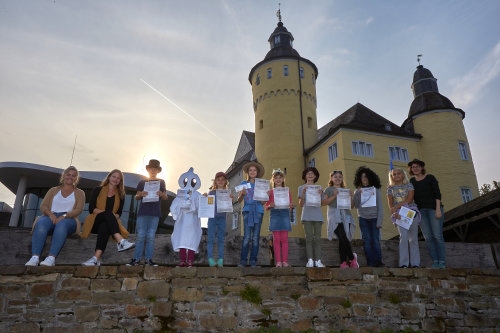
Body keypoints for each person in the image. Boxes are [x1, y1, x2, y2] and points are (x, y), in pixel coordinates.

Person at [25, 166, 86, 266]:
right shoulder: (53, 190)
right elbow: (43, 206)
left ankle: (51, 258)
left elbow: (79, 209)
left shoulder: (80, 193)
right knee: (40, 224)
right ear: (64, 175)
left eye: (73, 176)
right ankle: (35, 258)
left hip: (69, 218)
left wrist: (65, 216)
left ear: (76, 178)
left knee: (61, 225)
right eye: (68, 174)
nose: (70, 177)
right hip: (51, 215)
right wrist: (50, 214)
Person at [81, 169, 134, 266]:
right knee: (108, 214)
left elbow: (118, 213)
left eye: (118, 178)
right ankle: (120, 240)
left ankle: (95, 258)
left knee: (104, 226)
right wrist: (107, 214)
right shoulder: (98, 190)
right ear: (109, 177)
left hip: (109, 225)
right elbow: (91, 208)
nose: (115, 179)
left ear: (120, 181)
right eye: (114, 176)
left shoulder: (121, 195)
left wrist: (109, 215)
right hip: (94, 221)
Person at [127, 160, 167, 266]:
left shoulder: (161, 182)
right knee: (140, 235)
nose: (153, 170)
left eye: (155, 169)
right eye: (151, 168)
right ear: (148, 169)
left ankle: (148, 260)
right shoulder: (142, 182)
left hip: (155, 213)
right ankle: (136, 259)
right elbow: (136, 196)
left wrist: (161, 194)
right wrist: (141, 194)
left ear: (158, 171)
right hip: (143, 212)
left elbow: (165, 196)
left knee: (151, 236)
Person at [408, 158, 446, 268]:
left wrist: (438, 209)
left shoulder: (430, 178)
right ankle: (435, 261)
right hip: (421, 212)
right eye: (413, 167)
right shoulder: (412, 182)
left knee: (437, 236)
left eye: (417, 166)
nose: (415, 168)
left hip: (434, 209)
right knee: (428, 238)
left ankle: (442, 262)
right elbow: (408, 196)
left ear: (422, 168)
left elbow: (437, 194)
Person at [324, 170, 359, 268]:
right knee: (342, 236)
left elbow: (351, 206)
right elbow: (324, 202)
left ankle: (343, 262)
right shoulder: (328, 189)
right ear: (332, 178)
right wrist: (334, 195)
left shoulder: (345, 190)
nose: (338, 178)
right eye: (335, 177)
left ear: (342, 178)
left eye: (340, 177)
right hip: (334, 215)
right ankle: (352, 258)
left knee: (343, 239)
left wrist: (351, 197)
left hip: (346, 215)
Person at [387, 168, 421, 268]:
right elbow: (390, 206)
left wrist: (396, 207)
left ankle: (415, 263)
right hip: (399, 215)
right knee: (403, 237)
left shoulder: (409, 185)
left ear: (403, 175)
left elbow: (409, 200)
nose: (396, 175)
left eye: (398, 173)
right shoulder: (390, 189)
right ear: (391, 177)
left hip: (411, 213)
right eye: (394, 174)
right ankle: (403, 263)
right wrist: (394, 213)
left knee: (413, 238)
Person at [170, 167, 203, 267]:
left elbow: (200, 207)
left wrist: (203, 201)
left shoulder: (197, 195)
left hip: (192, 221)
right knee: (182, 239)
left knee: (192, 239)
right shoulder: (180, 194)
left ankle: (190, 260)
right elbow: (173, 206)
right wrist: (182, 205)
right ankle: (183, 260)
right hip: (182, 220)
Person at [353, 166, 384, 267]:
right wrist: (357, 193)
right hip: (363, 219)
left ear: (370, 178)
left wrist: (379, 221)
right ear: (359, 179)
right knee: (367, 240)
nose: (364, 179)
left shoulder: (376, 189)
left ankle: (378, 261)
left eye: (366, 177)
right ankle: (370, 262)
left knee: (375, 240)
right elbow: (356, 205)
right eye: (362, 177)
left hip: (375, 218)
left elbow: (380, 206)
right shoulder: (357, 191)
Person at [237, 161, 265, 267]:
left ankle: (253, 261)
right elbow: (239, 200)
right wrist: (242, 195)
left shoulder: (261, 185)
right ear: (248, 172)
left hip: (258, 211)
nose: (252, 172)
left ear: (257, 172)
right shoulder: (243, 184)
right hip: (247, 211)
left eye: (254, 170)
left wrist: (265, 197)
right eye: (250, 170)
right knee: (247, 237)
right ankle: (243, 261)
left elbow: (262, 202)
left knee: (255, 238)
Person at [265, 169, 294, 268]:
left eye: (280, 177)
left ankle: (285, 261)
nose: (278, 179)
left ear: (283, 179)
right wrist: (270, 205)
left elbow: (290, 204)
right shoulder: (270, 192)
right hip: (275, 214)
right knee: (276, 239)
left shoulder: (287, 191)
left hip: (285, 214)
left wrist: (291, 205)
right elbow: (266, 207)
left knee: (284, 239)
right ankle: (278, 262)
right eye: (275, 178)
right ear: (272, 180)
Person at [298, 167, 326, 268]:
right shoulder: (301, 188)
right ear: (305, 176)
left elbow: (323, 203)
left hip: (318, 216)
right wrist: (304, 193)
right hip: (306, 216)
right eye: (308, 173)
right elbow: (300, 204)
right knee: (309, 238)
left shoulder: (319, 188)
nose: (310, 175)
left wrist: (322, 194)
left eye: (312, 174)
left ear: (315, 176)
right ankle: (310, 260)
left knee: (317, 239)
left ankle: (318, 261)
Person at [204, 171, 233, 267]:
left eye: (222, 180)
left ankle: (220, 259)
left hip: (222, 219)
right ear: (215, 181)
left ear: (225, 182)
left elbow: (229, 206)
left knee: (221, 239)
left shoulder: (228, 193)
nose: (220, 181)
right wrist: (205, 198)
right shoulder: (211, 192)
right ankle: (210, 259)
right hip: (212, 218)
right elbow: (207, 204)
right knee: (211, 238)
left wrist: (231, 200)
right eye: (218, 180)